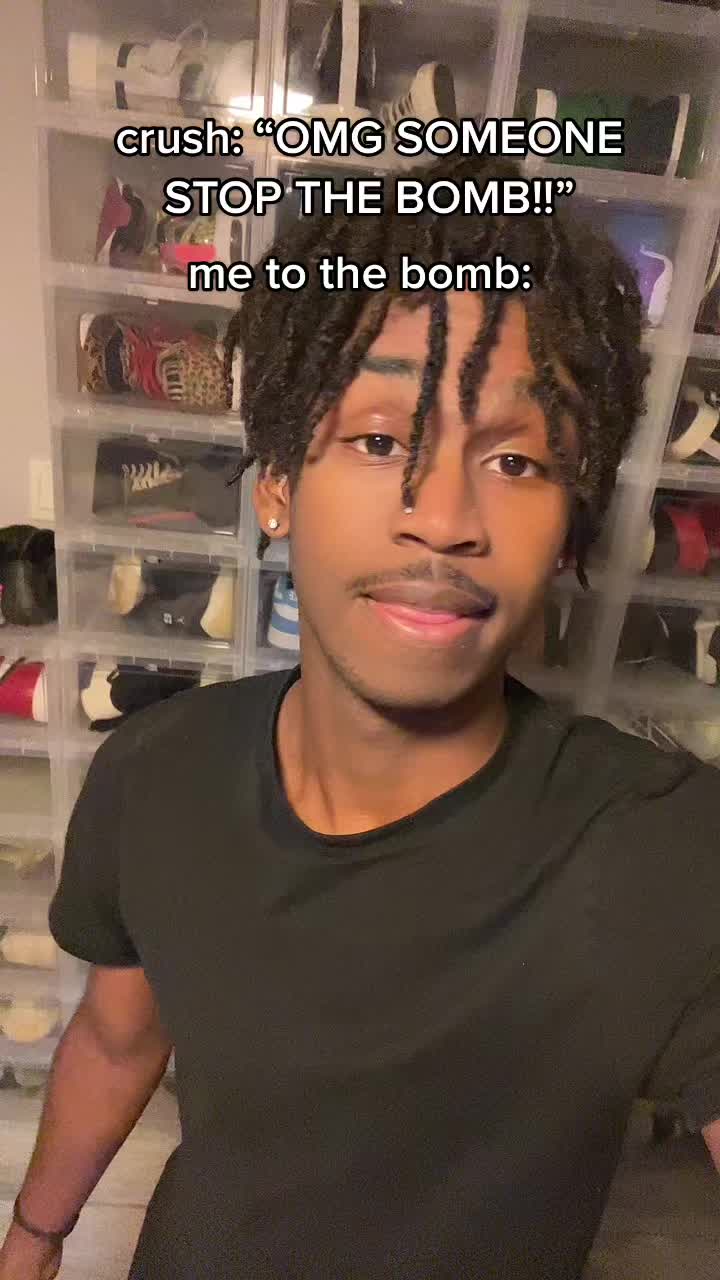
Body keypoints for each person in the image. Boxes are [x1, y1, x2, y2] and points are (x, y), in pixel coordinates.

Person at [1, 154, 718, 1280]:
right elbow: (115, 1035)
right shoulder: (155, 774)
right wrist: (34, 1239)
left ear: (569, 529)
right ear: (278, 484)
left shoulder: (667, 851)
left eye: (517, 459)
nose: (443, 517)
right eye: (381, 440)